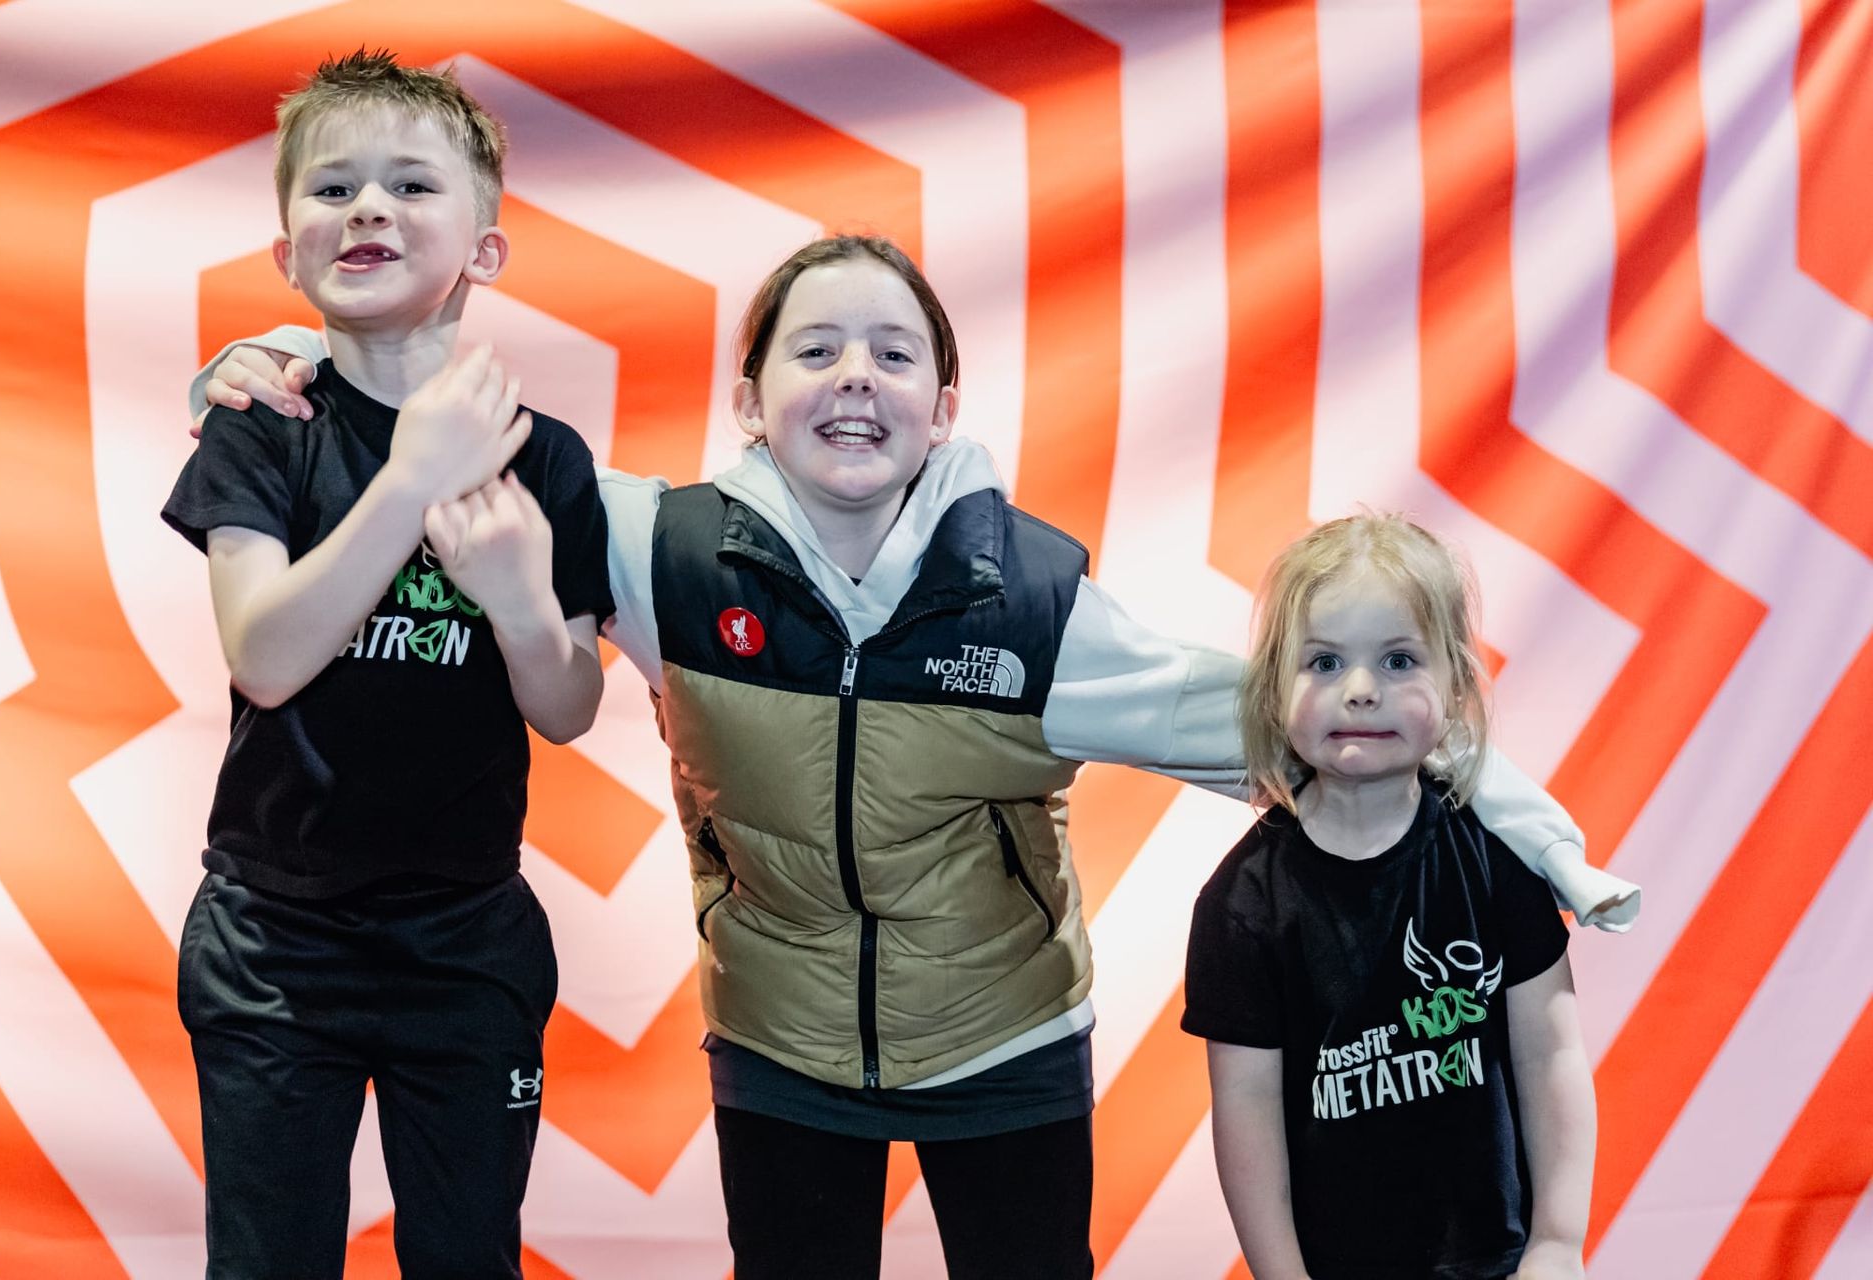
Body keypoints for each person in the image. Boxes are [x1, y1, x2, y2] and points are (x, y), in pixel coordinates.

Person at [192, 236, 1633, 1279]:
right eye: (813, 348)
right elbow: (431, 435)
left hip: (1005, 1048)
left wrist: (1552, 847)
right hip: (780, 1050)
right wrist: (277, 365)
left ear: (945, 408)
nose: (855, 377)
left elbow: (1308, 716)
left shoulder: (1034, 608)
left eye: (895, 352)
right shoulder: (653, 546)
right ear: (750, 398)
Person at [161, 50, 610, 1279]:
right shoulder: (262, 429)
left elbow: (569, 708)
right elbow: (264, 655)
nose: (368, 209)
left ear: (485, 246)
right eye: (333, 190)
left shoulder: (551, 460)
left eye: (412, 187)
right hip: (273, 938)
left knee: (467, 1255)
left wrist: (523, 605)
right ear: (287, 256)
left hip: (466, 937)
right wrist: (412, 478)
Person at [1182, 514, 1594, 1279]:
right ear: (1274, 689)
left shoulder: (1495, 859)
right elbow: (1245, 1110)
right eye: (1326, 662)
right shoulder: (1242, 905)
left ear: (1456, 684)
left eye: (1399, 659)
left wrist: (1558, 1242)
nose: (1362, 691)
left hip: (1496, 1261)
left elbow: (1553, 1051)